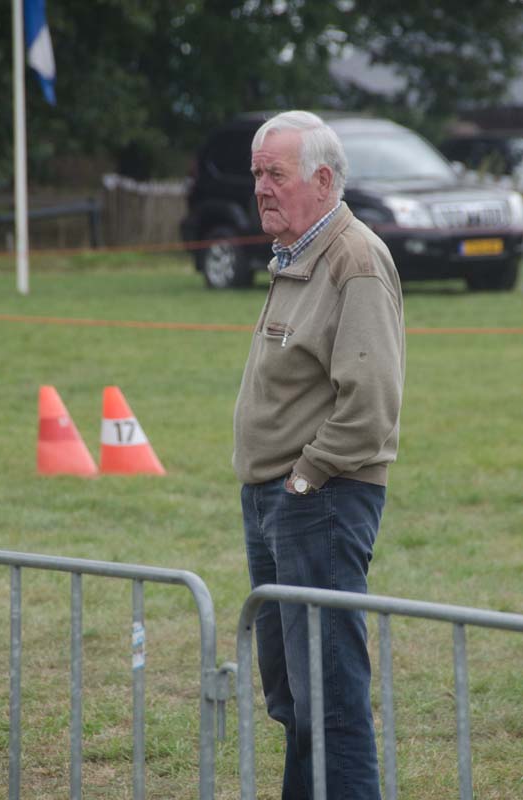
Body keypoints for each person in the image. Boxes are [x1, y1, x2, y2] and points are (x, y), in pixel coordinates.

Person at [233, 110, 405, 800]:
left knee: (330, 703)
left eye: (275, 173)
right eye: (256, 174)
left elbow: (369, 405)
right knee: (294, 702)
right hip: (279, 501)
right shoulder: (297, 253)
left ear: (323, 180)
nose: (260, 188)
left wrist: (302, 481)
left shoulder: (354, 259)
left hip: (320, 500)